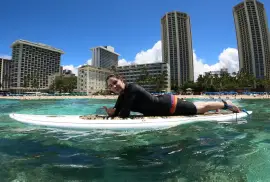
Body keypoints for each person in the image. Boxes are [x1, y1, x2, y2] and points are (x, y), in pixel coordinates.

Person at [103, 74, 241, 118]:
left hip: (170, 106)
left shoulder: (131, 88)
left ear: (122, 80)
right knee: (199, 106)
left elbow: (124, 113)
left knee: (201, 108)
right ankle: (217, 105)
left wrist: (115, 113)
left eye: (115, 82)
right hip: (165, 101)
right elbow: (118, 110)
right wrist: (111, 112)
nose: (114, 86)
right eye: (110, 86)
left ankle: (226, 105)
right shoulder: (122, 96)